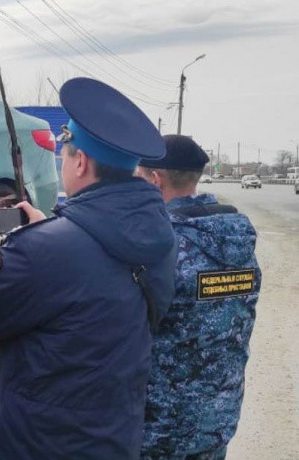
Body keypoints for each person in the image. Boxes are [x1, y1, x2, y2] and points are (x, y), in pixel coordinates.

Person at [0, 77, 178, 459]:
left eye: (64, 152)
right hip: (115, 438)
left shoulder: (46, 249)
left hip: (41, 445)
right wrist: (46, 234)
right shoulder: (161, 236)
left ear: (80, 161)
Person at [136, 136, 261, 460]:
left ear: (155, 179)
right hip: (217, 420)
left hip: (159, 430)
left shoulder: (160, 250)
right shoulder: (240, 246)